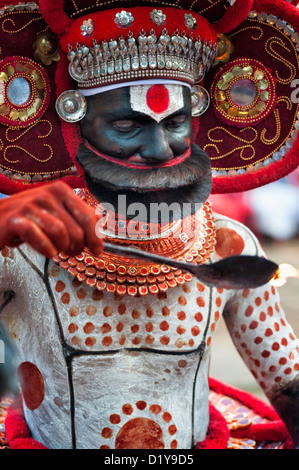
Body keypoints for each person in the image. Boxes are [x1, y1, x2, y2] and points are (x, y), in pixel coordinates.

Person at [0, 0, 298, 450]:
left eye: (176, 122)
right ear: (76, 124)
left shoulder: (228, 245)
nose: (161, 150)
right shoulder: (25, 246)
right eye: (127, 123)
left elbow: (288, 381)